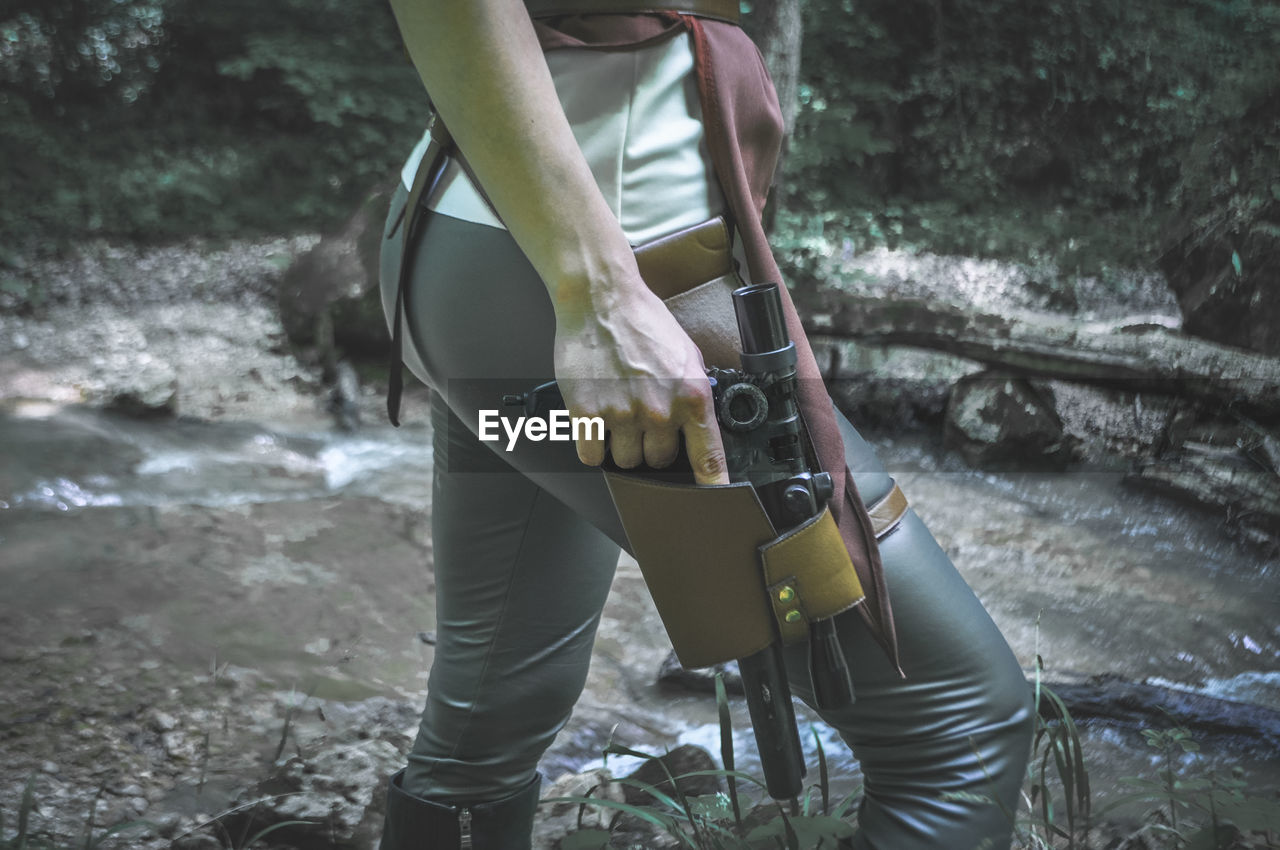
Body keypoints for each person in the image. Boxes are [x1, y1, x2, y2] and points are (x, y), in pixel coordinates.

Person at [376, 2, 1035, 848]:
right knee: (959, 728)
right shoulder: (600, 297)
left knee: (493, 707)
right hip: (606, 288)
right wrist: (599, 297)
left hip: (476, 262)